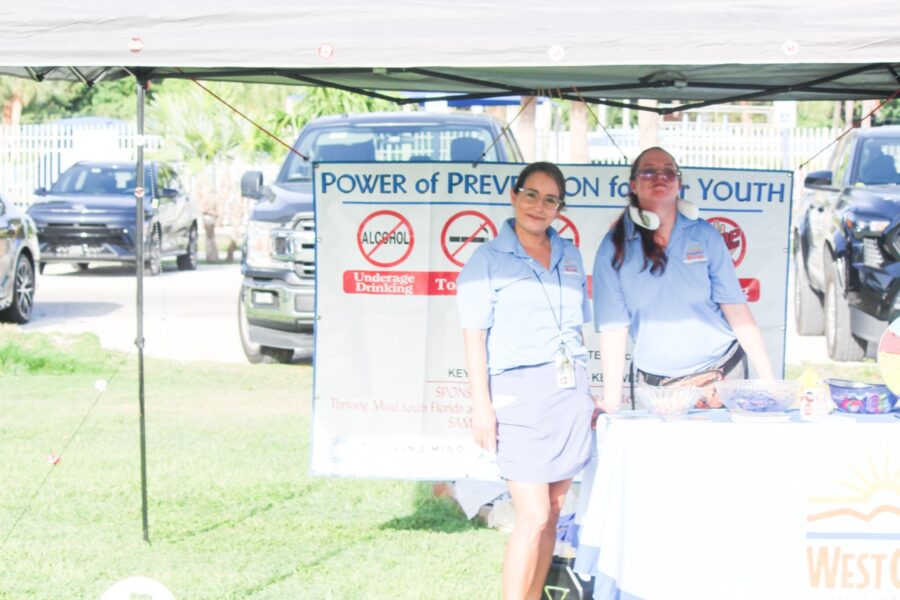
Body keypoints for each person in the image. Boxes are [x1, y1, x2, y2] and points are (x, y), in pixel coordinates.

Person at [457, 162, 593, 600]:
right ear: (514, 196)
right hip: (518, 395)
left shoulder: (570, 254)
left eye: (550, 199)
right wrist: (482, 406)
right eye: (531, 194)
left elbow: (577, 327)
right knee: (531, 516)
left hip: (568, 392)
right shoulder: (487, 260)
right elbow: (474, 336)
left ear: (560, 208)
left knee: (553, 512)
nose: (539, 206)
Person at [592, 146, 775, 412]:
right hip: (658, 389)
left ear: (679, 184)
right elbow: (613, 328)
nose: (660, 177)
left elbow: (736, 309)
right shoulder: (614, 247)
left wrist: (768, 381)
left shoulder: (705, 235)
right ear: (633, 184)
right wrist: (611, 401)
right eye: (649, 171)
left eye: (669, 172)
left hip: (721, 377)